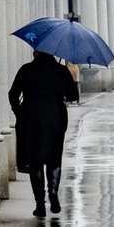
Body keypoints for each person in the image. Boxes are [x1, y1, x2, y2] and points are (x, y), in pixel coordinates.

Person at [8, 51, 80, 217]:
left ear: (36, 53)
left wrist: (19, 111)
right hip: (55, 118)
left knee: (36, 161)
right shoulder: (61, 70)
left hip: (31, 117)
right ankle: (53, 194)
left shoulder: (26, 70)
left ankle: (40, 204)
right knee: (54, 159)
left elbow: (13, 94)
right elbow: (72, 95)